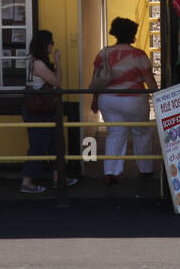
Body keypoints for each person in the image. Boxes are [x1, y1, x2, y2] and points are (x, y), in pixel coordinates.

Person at [91, 16, 159, 185]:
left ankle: (111, 172)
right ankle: (145, 170)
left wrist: (94, 99)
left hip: (107, 100)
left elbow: (96, 79)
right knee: (141, 133)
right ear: (132, 34)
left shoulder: (103, 53)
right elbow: (150, 82)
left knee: (115, 133)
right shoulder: (139, 55)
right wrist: (158, 98)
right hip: (134, 100)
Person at [20, 30, 78, 194]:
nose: (53, 45)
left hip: (39, 108)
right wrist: (58, 62)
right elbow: (58, 82)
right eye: (51, 43)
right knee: (38, 146)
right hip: (39, 110)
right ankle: (27, 182)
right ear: (44, 45)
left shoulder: (31, 60)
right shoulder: (38, 64)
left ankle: (57, 177)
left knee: (55, 142)